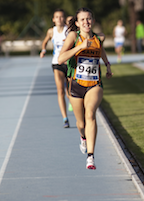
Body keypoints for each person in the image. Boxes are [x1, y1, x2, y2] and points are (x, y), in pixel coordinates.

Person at [58, 7, 112, 169]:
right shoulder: (74, 36)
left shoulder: (99, 37)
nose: (86, 22)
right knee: (81, 123)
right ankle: (83, 137)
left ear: (93, 21)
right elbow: (61, 58)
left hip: (95, 84)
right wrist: (80, 47)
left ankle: (90, 157)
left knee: (90, 114)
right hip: (76, 85)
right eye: (82, 19)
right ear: (77, 23)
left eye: (89, 19)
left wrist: (108, 65)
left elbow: (100, 51)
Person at [40, 8, 71, 128]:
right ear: (53, 19)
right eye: (57, 17)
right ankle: (65, 118)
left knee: (70, 92)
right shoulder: (51, 31)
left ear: (64, 18)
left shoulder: (68, 31)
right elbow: (44, 42)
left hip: (68, 63)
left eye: (61, 17)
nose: (59, 19)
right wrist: (43, 50)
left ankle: (72, 103)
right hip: (57, 63)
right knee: (60, 91)